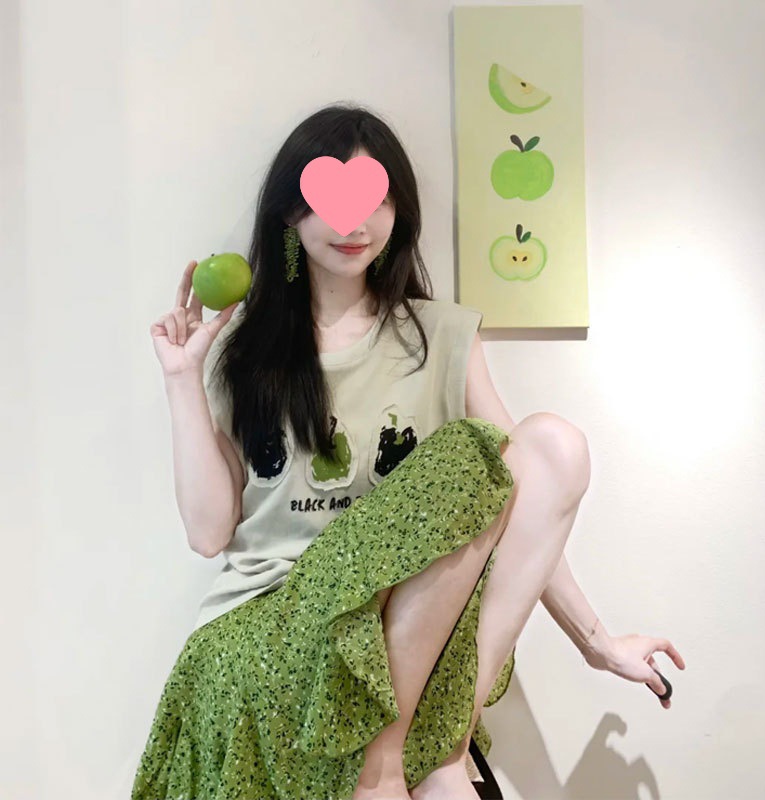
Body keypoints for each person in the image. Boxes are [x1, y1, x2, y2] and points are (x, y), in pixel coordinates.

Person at [134, 103, 685, 800]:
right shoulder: (244, 350)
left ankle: (424, 747)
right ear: (289, 215)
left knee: (549, 446)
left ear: (399, 210)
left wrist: (597, 643)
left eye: (374, 198)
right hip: (285, 614)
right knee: (470, 458)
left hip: (404, 627)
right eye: (329, 200)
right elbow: (209, 533)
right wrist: (182, 379)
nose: (353, 222)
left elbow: (530, 499)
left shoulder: (442, 336)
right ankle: (396, 763)